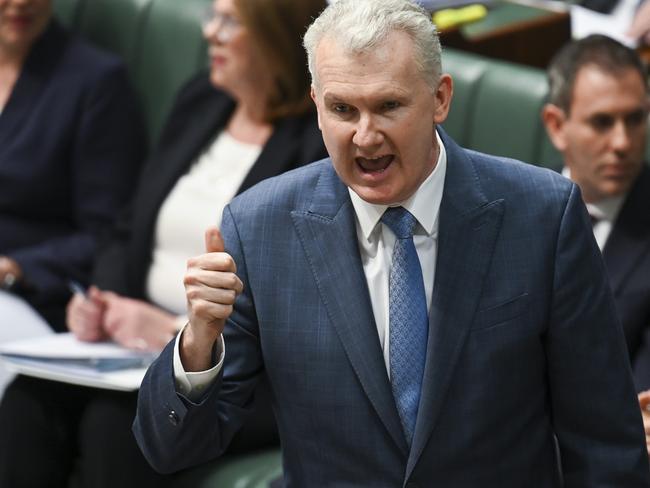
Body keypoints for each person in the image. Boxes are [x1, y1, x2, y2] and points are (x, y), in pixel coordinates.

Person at [134, 0, 650, 485]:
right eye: (342, 109)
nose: (365, 135)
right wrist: (198, 341)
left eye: (388, 106)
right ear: (316, 105)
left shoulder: (543, 215)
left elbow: (604, 444)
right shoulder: (259, 226)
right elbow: (170, 449)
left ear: (440, 98)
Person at [0, 0, 327, 487]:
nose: (210, 33)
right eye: (211, 17)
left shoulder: (315, 145)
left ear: (278, 35)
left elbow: (295, 302)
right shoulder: (202, 100)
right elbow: (126, 227)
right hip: (130, 348)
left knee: (113, 425)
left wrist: (176, 329)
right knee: (25, 404)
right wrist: (103, 301)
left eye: (230, 21)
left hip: (229, 365)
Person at [0, 0, 145, 330]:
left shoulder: (97, 81)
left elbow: (107, 233)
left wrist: (14, 267)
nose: (21, 2)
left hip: (32, 296)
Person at [542, 33, 650, 454]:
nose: (622, 143)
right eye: (602, 122)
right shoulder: (511, 207)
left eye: (636, 119)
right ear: (556, 125)